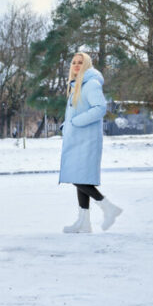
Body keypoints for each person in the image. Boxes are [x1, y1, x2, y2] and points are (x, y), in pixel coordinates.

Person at [59, 52, 122, 233]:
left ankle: (109, 208)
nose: (77, 65)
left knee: (78, 178)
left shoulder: (91, 84)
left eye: (81, 62)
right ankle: (84, 223)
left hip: (86, 141)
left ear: (87, 65)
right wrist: (66, 126)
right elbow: (76, 111)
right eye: (74, 63)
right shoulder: (77, 85)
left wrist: (76, 123)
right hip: (77, 139)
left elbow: (100, 108)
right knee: (80, 177)